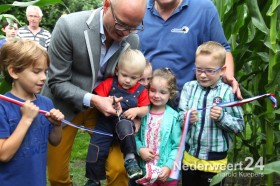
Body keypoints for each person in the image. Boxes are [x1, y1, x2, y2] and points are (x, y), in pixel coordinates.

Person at [40, 0, 147, 185]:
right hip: (64, 106)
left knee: (119, 168)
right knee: (57, 175)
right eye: (121, 24)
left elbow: (129, 85)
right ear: (106, 5)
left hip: (106, 112)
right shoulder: (68, 26)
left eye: (134, 27)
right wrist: (94, 99)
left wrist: (135, 114)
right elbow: (56, 81)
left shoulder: (132, 40)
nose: (126, 33)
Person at [138, 0, 242, 101]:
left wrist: (228, 77)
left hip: (187, 103)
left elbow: (222, 48)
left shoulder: (203, 9)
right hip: (143, 102)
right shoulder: (139, 7)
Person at [178, 41, 245, 186]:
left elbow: (239, 126)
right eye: (199, 70)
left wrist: (222, 118)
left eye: (209, 70)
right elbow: (179, 117)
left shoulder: (227, 92)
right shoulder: (189, 88)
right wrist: (187, 118)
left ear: (222, 70)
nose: (202, 75)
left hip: (215, 161)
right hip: (190, 158)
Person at [0, 39, 64, 186]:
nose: (43, 77)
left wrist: (57, 125)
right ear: (14, 71)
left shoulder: (46, 103)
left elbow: (55, 141)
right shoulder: (3, 107)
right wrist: (26, 119)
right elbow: (3, 155)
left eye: (45, 71)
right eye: (36, 71)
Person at [85, 48, 150, 185]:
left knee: (125, 126)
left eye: (133, 78)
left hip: (124, 124)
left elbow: (145, 109)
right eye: (124, 75)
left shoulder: (140, 90)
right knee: (96, 147)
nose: (127, 80)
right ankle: (93, 179)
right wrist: (106, 101)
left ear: (139, 77)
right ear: (117, 71)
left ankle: (130, 159)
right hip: (105, 124)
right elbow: (97, 99)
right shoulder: (109, 83)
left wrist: (137, 111)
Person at [131, 68, 181, 186]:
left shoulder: (174, 117)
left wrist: (168, 166)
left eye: (162, 92)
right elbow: (135, 135)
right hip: (146, 171)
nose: (156, 95)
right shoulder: (143, 112)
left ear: (171, 94)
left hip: (165, 174)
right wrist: (140, 150)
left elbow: (177, 146)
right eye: (153, 90)